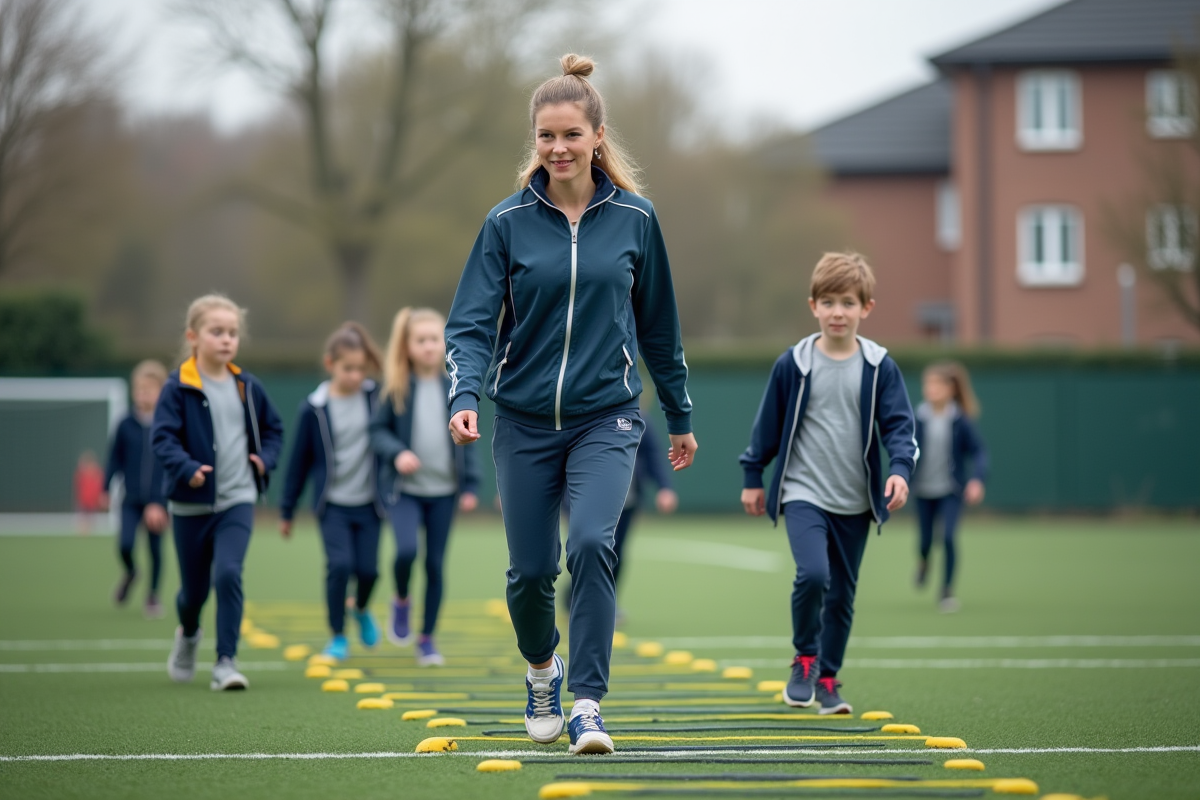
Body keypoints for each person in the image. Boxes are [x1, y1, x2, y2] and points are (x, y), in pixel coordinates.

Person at [444, 54, 697, 755]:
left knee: (592, 544)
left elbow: (660, 328)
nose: (559, 148)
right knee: (530, 574)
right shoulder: (506, 223)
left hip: (607, 418)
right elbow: (468, 324)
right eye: (547, 136)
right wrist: (465, 394)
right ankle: (540, 670)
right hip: (522, 422)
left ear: (596, 135)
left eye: (571, 135)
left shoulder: (637, 221)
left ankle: (587, 704)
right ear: (535, 140)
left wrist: (677, 414)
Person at [739, 252, 916, 716]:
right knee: (814, 575)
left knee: (842, 594)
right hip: (804, 494)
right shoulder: (794, 364)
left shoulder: (879, 367)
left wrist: (899, 470)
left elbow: (900, 427)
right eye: (829, 302)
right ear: (813, 305)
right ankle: (804, 658)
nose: (839, 312)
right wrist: (753, 476)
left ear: (866, 308)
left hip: (856, 501)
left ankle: (829, 679)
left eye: (849, 303)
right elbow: (767, 426)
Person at [152, 294, 283, 691]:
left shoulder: (248, 386)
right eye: (217, 332)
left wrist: (265, 460)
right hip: (190, 507)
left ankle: (226, 661)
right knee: (193, 593)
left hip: (237, 500)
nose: (227, 340)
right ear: (193, 337)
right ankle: (188, 634)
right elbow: (162, 439)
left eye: (232, 333)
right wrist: (187, 469)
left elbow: (274, 430)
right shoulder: (177, 387)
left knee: (228, 574)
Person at [370, 308, 479, 667]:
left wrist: (470, 486)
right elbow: (377, 432)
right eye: (422, 340)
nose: (430, 346)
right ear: (408, 346)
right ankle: (401, 599)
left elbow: (470, 437)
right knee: (405, 552)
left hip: (444, 493)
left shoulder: (457, 386)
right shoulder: (396, 388)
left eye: (436, 339)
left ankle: (427, 639)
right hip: (406, 491)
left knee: (435, 565)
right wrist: (397, 452)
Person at [280, 322, 386, 661]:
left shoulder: (377, 399)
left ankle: (362, 608)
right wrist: (286, 510)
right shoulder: (313, 408)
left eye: (361, 368)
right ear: (330, 365)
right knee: (340, 566)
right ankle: (338, 635)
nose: (355, 376)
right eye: (347, 368)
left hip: (371, 504)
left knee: (369, 571)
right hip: (333, 506)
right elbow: (298, 463)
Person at [560, 416, 678, 624]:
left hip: (626, 502)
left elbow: (652, 456)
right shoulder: (579, 416)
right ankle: (578, 599)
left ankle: (606, 604)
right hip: (583, 499)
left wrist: (664, 488)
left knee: (616, 553)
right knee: (588, 549)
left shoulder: (639, 421)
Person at [911, 361, 988, 613]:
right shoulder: (917, 417)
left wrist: (977, 479)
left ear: (950, 389)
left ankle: (946, 591)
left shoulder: (960, 420)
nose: (931, 389)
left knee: (947, 537)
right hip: (923, 490)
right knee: (924, 541)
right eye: (927, 384)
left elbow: (979, 452)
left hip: (951, 490)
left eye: (936, 385)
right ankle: (923, 563)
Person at [103, 359, 170, 617]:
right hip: (131, 499)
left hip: (158, 501)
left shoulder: (168, 425)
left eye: (149, 389)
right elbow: (114, 458)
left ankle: (152, 596)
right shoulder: (125, 424)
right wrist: (105, 489)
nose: (143, 394)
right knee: (125, 545)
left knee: (155, 550)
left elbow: (171, 467)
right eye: (140, 389)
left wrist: (160, 502)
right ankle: (131, 572)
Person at [74, 450, 106, 536]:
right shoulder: (81, 474)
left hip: (93, 501)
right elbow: (79, 488)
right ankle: (84, 533)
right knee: (83, 520)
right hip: (84, 501)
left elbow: (99, 487)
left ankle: (89, 532)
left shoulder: (98, 474)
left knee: (91, 520)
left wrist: (98, 498)